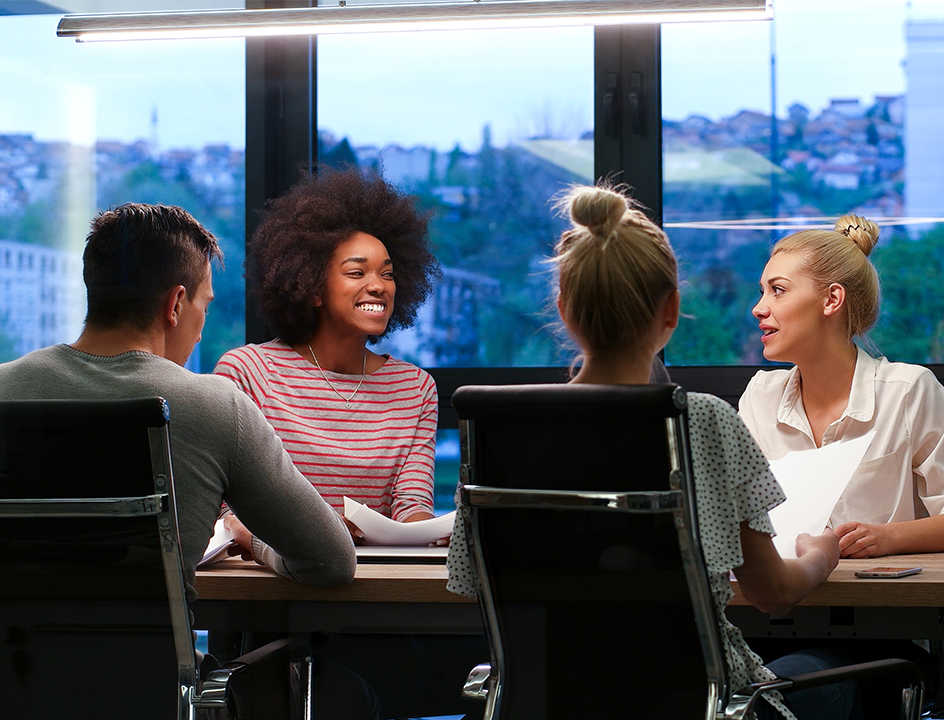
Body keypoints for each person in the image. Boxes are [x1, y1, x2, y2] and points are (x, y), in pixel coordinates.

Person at [446, 185, 857, 720]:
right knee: (841, 679)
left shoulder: (500, 427)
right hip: (704, 705)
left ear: (565, 309)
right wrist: (820, 555)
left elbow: (465, 582)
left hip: (554, 702)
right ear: (672, 309)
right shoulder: (703, 420)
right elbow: (773, 592)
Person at [0, 202, 355, 593]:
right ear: (175, 304)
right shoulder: (217, 407)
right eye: (204, 303)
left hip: (16, 652)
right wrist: (252, 542)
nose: (201, 329)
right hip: (148, 655)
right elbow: (332, 561)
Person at [737, 216, 944, 558]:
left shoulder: (909, 391)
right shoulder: (759, 396)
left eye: (778, 290)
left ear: (831, 300)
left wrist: (888, 537)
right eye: (762, 292)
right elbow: (735, 513)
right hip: (783, 603)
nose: (758, 308)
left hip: (885, 602)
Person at [214, 168, 442, 526]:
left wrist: (429, 531)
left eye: (387, 273)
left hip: (374, 576)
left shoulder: (414, 389)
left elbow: (412, 504)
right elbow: (228, 506)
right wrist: (323, 535)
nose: (379, 286)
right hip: (268, 573)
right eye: (357, 273)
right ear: (313, 288)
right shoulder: (249, 372)